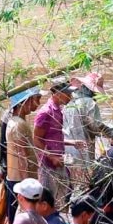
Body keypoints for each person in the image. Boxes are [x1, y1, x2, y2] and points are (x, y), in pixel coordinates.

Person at [33, 78, 84, 209]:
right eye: (68, 93)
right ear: (57, 93)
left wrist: (71, 143)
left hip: (59, 162)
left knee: (62, 200)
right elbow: (36, 139)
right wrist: (51, 157)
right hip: (47, 166)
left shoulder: (58, 111)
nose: (70, 97)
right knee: (46, 202)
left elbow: (53, 138)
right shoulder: (45, 113)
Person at [0, 87, 42, 224]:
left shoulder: (15, 122)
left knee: (13, 218)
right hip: (19, 180)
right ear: (25, 101)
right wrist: (25, 185)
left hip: (16, 178)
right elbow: (21, 156)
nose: (36, 105)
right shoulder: (17, 125)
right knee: (14, 220)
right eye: (34, 100)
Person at [64, 73, 112, 186]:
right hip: (82, 149)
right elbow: (96, 126)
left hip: (67, 149)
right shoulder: (89, 103)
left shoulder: (68, 104)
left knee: (71, 184)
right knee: (84, 184)